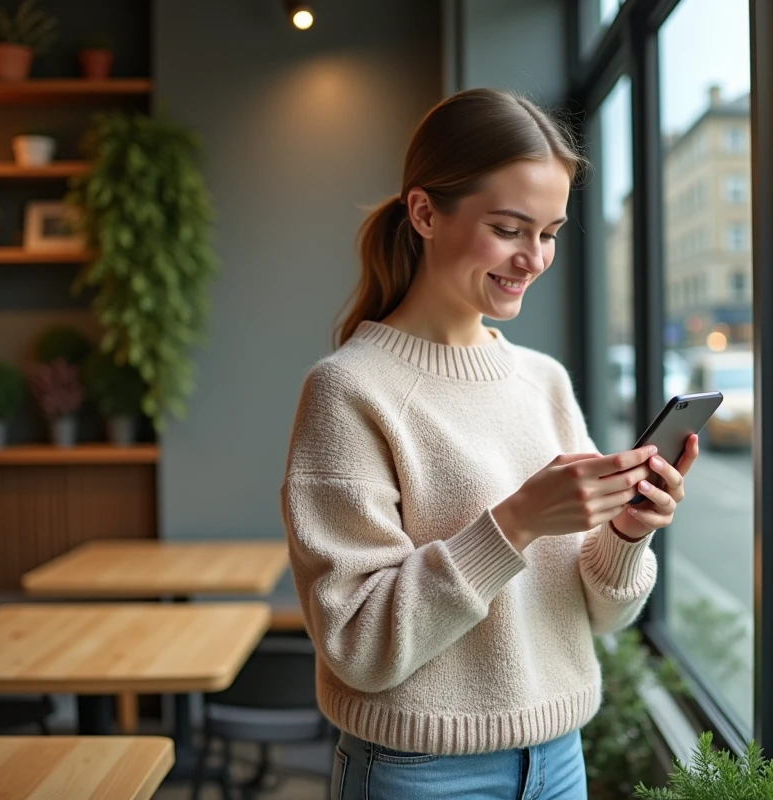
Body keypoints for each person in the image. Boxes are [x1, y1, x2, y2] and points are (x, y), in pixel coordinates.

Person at [281, 87, 698, 800]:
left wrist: (628, 533)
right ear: (424, 213)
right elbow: (355, 645)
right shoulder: (349, 391)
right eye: (510, 228)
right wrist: (516, 524)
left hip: (559, 759)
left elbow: (603, 617)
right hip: (417, 774)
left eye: (552, 231)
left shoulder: (544, 382)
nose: (534, 258)